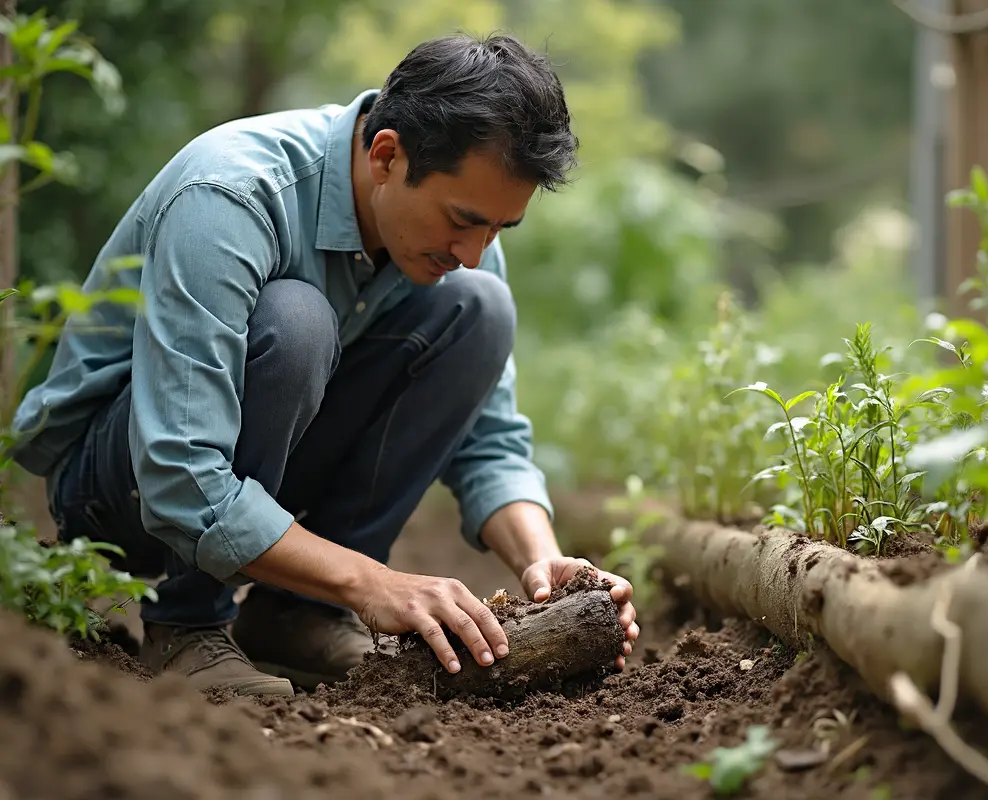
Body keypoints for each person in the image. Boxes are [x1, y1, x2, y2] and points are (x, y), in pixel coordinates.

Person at [8, 32, 638, 698]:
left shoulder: (459, 246)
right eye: (465, 221)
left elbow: (488, 441)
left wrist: (544, 562)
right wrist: (374, 583)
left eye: (498, 230)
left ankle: (298, 615)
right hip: (119, 490)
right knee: (296, 322)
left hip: (253, 474)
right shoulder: (232, 195)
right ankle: (188, 623)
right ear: (386, 154)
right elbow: (181, 475)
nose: (476, 249)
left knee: (481, 307)